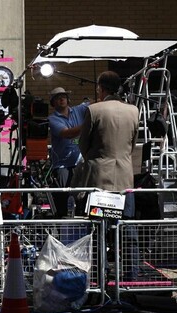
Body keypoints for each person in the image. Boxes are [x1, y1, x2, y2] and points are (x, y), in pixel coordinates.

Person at [77, 70, 140, 281]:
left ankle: (100, 278)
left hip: (99, 181)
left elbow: (83, 144)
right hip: (125, 179)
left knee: (99, 232)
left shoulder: (93, 110)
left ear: (100, 88)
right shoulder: (134, 111)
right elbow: (132, 144)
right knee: (127, 231)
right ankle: (130, 277)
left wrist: (96, 160)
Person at [47, 87, 89, 217]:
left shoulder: (79, 110)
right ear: (53, 102)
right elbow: (67, 134)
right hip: (62, 165)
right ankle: (62, 223)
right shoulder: (53, 119)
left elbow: (95, 105)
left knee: (84, 196)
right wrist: (88, 124)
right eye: (57, 97)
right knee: (63, 197)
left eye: (63, 96)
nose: (61, 99)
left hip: (81, 163)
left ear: (68, 99)